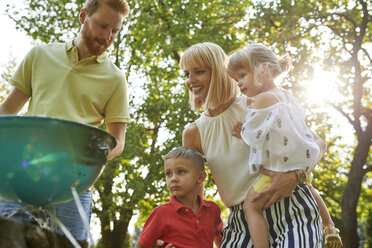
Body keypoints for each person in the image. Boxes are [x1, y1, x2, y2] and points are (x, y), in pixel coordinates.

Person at [172, 41, 326, 247]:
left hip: (290, 206)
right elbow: (192, 201)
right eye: (186, 74)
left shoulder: (256, 103)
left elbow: (317, 143)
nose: (190, 80)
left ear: (219, 72)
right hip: (241, 222)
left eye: (199, 72)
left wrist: (296, 175)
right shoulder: (193, 133)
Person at [0, 0, 130, 241]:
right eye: (103, 26)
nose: (108, 37)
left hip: (74, 188)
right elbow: (7, 110)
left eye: (115, 30)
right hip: (23, 178)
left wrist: (86, 159)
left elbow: (117, 141)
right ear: (83, 16)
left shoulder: (115, 79)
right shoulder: (40, 55)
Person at [226, 44, 342, 248]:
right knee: (310, 188)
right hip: (301, 162)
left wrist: (240, 130)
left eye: (243, 75)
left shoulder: (262, 100)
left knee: (251, 206)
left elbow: (253, 135)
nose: (239, 84)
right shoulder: (289, 97)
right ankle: (329, 226)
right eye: (236, 80)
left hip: (277, 168)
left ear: (263, 70)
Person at [135, 146, 223, 248]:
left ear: (200, 177)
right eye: (168, 173)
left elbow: (221, 240)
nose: (173, 179)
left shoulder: (213, 210)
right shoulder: (161, 213)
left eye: (181, 172)